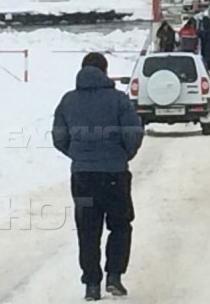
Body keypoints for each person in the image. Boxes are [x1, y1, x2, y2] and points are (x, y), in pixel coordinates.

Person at [52, 52, 144, 300]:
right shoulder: (119, 100)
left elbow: (59, 137)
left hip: (82, 177)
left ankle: (91, 284)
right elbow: (134, 132)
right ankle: (114, 276)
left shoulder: (68, 101)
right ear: (105, 71)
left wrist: (77, 154)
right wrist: (123, 155)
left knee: (87, 229)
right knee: (121, 225)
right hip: (115, 174)